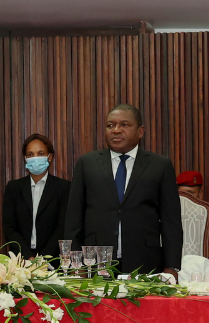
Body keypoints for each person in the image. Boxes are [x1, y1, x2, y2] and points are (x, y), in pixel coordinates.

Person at [64, 105, 182, 276]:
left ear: (140, 131)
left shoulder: (160, 165)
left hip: (145, 262)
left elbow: (171, 221)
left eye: (124, 125)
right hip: (95, 263)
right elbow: (74, 218)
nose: (116, 130)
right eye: (110, 125)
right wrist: (77, 264)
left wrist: (171, 267)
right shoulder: (87, 163)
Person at [3, 133, 71, 259]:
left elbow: (62, 228)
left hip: (53, 261)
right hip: (20, 261)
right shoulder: (14, 187)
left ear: (49, 157)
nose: (35, 158)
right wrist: (28, 257)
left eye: (40, 154)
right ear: (25, 158)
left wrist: (42, 259)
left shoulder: (63, 187)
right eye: (30, 154)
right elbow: (10, 228)